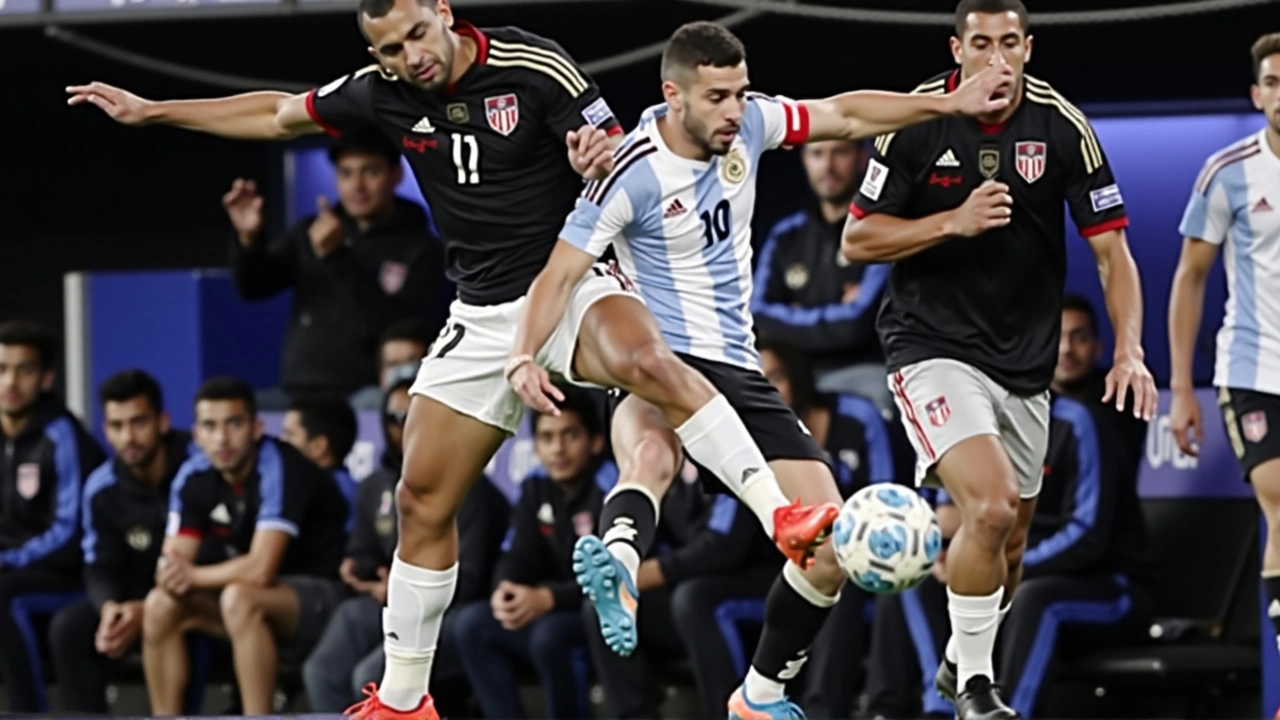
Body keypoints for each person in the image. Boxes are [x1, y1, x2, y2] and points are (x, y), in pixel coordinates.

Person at [66, 4, 837, 716]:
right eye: (388, 49)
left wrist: (590, 151)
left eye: (413, 35)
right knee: (419, 500)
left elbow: (603, 137)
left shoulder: (534, 65)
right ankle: (403, 699)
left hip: (568, 283)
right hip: (480, 313)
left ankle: (782, 516)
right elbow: (274, 112)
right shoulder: (382, 90)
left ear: (442, 11)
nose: (408, 57)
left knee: (649, 360)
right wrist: (154, 110)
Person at [505, 20, 1014, 720]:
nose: (734, 111)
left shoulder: (747, 129)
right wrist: (521, 354)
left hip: (738, 371)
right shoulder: (631, 169)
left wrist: (950, 104)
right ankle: (620, 556)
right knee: (650, 451)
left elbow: (843, 112)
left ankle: (758, 696)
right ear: (672, 94)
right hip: (658, 360)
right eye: (717, 97)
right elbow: (558, 275)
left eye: (740, 94)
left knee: (828, 546)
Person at [841, 1, 1159, 717]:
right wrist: (951, 222)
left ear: (1028, 48)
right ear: (957, 49)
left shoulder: (1061, 124)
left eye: (1008, 44)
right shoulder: (918, 118)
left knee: (1010, 545)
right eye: (980, 44)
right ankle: (978, 692)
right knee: (984, 507)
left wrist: (1131, 349)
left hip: (1025, 361)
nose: (995, 60)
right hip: (930, 346)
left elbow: (1113, 251)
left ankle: (961, 659)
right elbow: (856, 242)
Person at [1168, 31, 1280, 665]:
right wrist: (1183, 389)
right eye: (1272, 83)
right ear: (1256, 93)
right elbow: (1189, 277)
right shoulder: (1228, 171)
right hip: (1254, 370)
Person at [142, 377, 351, 716]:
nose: (221, 438)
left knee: (240, 597)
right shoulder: (193, 476)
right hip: (245, 604)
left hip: (323, 601)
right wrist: (175, 575)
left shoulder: (281, 465)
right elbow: (170, 567)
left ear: (256, 428)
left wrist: (191, 575)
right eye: (210, 426)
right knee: (159, 604)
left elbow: (261, 568)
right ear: (196, 435)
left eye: (233, 424)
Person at [303, 371, 508, 714]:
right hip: (386, 599)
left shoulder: (468, 486)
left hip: (449, 612)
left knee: (370, 676)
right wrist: (359, 572)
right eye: (394, 418)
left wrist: (395, 591)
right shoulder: (374, 484)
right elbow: (363, 550)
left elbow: (470, 579)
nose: (403, 425)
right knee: (322, 668)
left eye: (411, 414)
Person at [225, 129, 446, 401]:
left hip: (369, 392)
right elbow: (253, 287)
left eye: (370, 171)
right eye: (346, 173)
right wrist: (249, 239)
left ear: (396, 174)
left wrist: (337, 257)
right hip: (297, 388)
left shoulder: (423, 249)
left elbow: (399, 330)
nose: (357, 186)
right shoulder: (312, 230)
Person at [453, 386, 615, 719]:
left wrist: (549, 598)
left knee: (550, 636)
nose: (558, 448)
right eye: (547, 437)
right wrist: (506, 590)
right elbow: (515, 554)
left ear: (595, 441)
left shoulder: (613, 486)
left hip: (601, 614)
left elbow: (615, 574)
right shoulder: (535, 486)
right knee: (473, 624)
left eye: (570, 435)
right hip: (551, 606)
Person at [49, 370, 194, 714]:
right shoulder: (101, 487)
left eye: (138, 422)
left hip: (194, 597)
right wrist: (109, 607)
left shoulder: (198, 469)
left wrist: (150, 607)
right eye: (116, 426)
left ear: (162, 422)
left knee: (174, 620)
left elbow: (212, 556)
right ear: (105, 431)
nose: (128, 436)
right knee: (69, 628)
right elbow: (98, 565)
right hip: (131, 599)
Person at [0, 320, 106, 713]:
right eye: (1, 369)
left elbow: (69, 530)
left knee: (3, 597)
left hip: (66, 574)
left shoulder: (63, 436)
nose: (10, 382)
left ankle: (27, 713)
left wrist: (7, 560)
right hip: (13, 567)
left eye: (23, 370)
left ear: (45, 379)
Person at [751, 140, 893, 409]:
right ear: (804, 159)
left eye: (839, 152)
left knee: (877, 399)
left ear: (863, 157)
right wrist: (841, 309)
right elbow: (758, 312)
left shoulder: (881, 229)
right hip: (794, 374)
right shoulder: (786, 236)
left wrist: (794, 313)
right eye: (817, 154)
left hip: (863, 371)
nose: (827, 166)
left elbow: (856, 326)